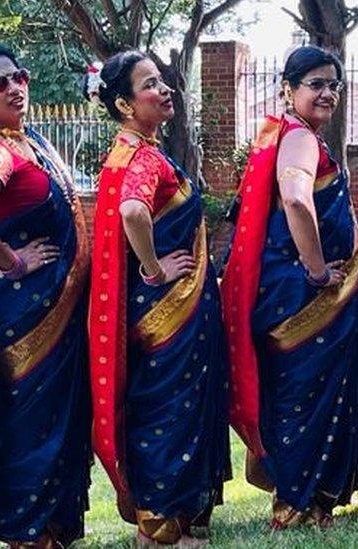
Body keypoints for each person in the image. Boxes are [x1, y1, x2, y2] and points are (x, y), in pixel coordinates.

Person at [221, 45, 358, 529]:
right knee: (304, 395)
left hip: (283, 289)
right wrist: (316, 271)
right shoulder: (299, 140)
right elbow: (295, 199)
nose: (328, 93)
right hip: (302, 293)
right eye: (316, 84)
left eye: (334, 84)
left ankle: (302, 500)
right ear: (288, 90)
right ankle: (297, 505)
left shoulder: (286, 134)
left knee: (298, 393)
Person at [0, 44, 91, 547]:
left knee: (56, 419)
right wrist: (11, 259)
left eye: (18, 76)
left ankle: (49, 529)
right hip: (21, 317)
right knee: (30, 425)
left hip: (55, 310)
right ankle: (27, 533)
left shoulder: (31, 143)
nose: (14, 87)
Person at [87, 50, 230, 547]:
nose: (165, 89)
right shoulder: (143, 158)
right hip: (168, 310)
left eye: (163, 80)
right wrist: (154, 269)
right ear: (126, 104)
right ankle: (160, 525)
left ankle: (170, 517)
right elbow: (133, 211)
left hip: (164, 312)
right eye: (151, 85)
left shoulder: (131, 151)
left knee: (165, 406)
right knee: (170, 409)